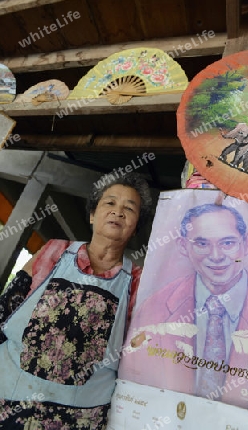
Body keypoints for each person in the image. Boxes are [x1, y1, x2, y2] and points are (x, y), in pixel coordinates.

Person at [119, 203, 248, 422]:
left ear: (247, 242)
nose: (216, 256)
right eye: (202, 243)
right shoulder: (153, 309)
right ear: (183, 246)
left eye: (227, 243)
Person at [0, 172, 152, 429]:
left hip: (80, 416)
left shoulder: (139, 280)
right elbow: (7, 306)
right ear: (93, 215)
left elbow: (136, 354)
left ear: (136, 226)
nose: (118, 212)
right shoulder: (52, 250)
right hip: (10, 397)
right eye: (110, 203)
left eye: (129, 208)